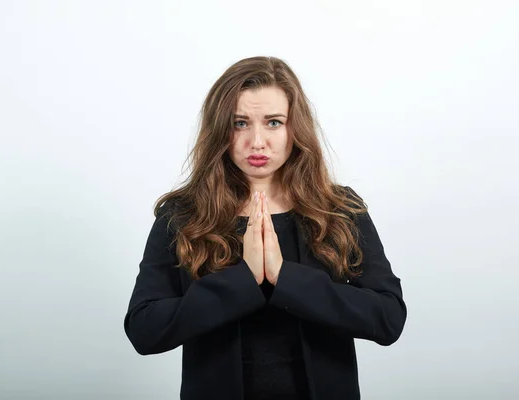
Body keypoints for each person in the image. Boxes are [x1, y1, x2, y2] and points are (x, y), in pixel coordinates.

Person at [123, 56, 407, 400]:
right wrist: (244, 280)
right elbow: (144, 329)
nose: (257, 142)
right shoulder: (183, 214)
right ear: (219, 130)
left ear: (294, 128)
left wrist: (283, 277)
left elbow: (389, 318)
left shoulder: (340, 209)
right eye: (240, 123)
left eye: (273, 122)